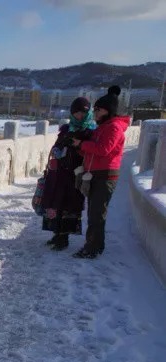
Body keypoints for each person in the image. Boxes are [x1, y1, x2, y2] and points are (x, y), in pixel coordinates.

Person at [71, 85, 130, 259]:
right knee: (93, 213)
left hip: (105, 175)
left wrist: (82, 145)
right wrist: (79, 146)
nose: (94, 112)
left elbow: (104, 149)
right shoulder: (103, 127)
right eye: (95, 109)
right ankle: (93, 245)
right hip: (96, 173)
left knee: (97, 214)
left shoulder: (113, 128)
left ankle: (93, 248)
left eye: (98, 109)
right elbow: (94, 150)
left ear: (108, 111)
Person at [41, 97, 95, 250]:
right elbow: (57, 146)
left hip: (75, 173)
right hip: (59, 173)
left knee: (69, 204)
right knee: (55, 203)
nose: (79, 116)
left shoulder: (90, 131)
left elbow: (90, 151)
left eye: (82, 113)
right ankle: (56, 233)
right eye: (76, 112)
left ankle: (63, 238)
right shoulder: (66, 129)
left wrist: (78, 146)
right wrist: (59, 148)